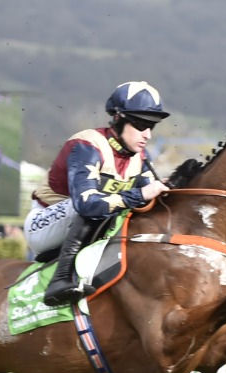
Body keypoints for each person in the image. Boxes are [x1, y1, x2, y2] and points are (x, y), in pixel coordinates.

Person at [26, 81, 171, 306]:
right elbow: (86, 205)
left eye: (152, 126)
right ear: (119, 118)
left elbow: (150, 199)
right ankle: (60, 280)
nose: (148, 135)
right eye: (142, 125)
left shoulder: (139, 158)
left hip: (80, 229)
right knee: (94, 205)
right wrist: (141, 193)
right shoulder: (87, 146)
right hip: (43, 224)